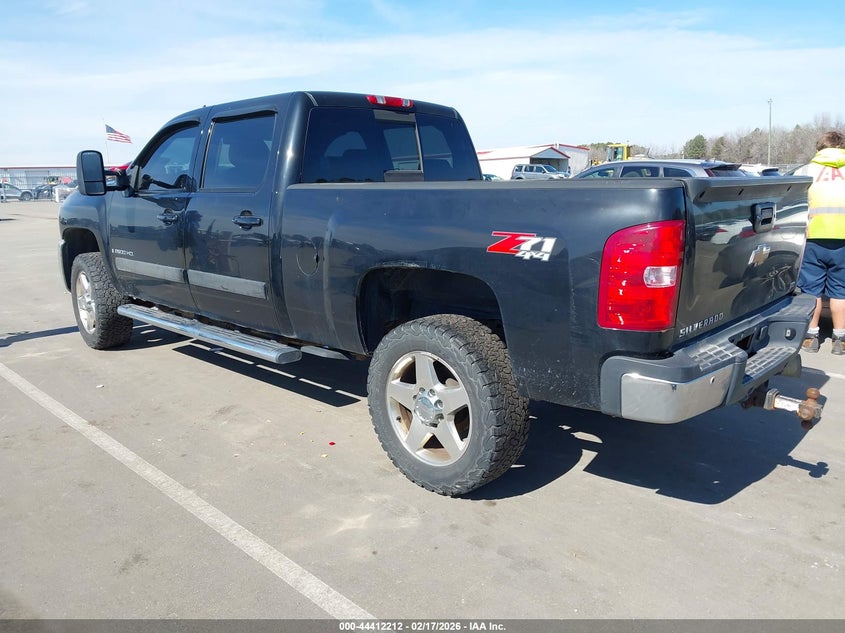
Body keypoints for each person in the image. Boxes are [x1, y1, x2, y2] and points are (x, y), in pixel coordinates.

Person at [797, 130, 845, 354]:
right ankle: (840, 339)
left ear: (819, 149)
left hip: (814, 238)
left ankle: (811, 336)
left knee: (812, 290)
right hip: (843, 240)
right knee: (840, 291)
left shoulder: (807, 171)